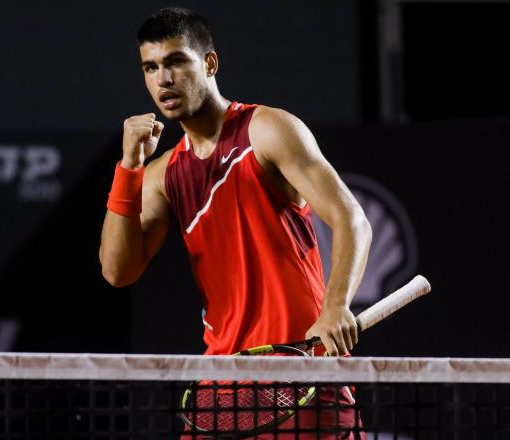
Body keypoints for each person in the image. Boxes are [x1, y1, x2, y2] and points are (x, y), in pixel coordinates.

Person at [99, 7, 371, 439]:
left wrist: (336, 305)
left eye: (176, 62)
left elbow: (351, 218)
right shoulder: (162, 175)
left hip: (304, 375)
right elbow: (117, 270)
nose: (163, 80)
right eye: (150, 68)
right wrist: (129, 168)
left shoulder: (266, 130)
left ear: (209, 63)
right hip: (223, 384)